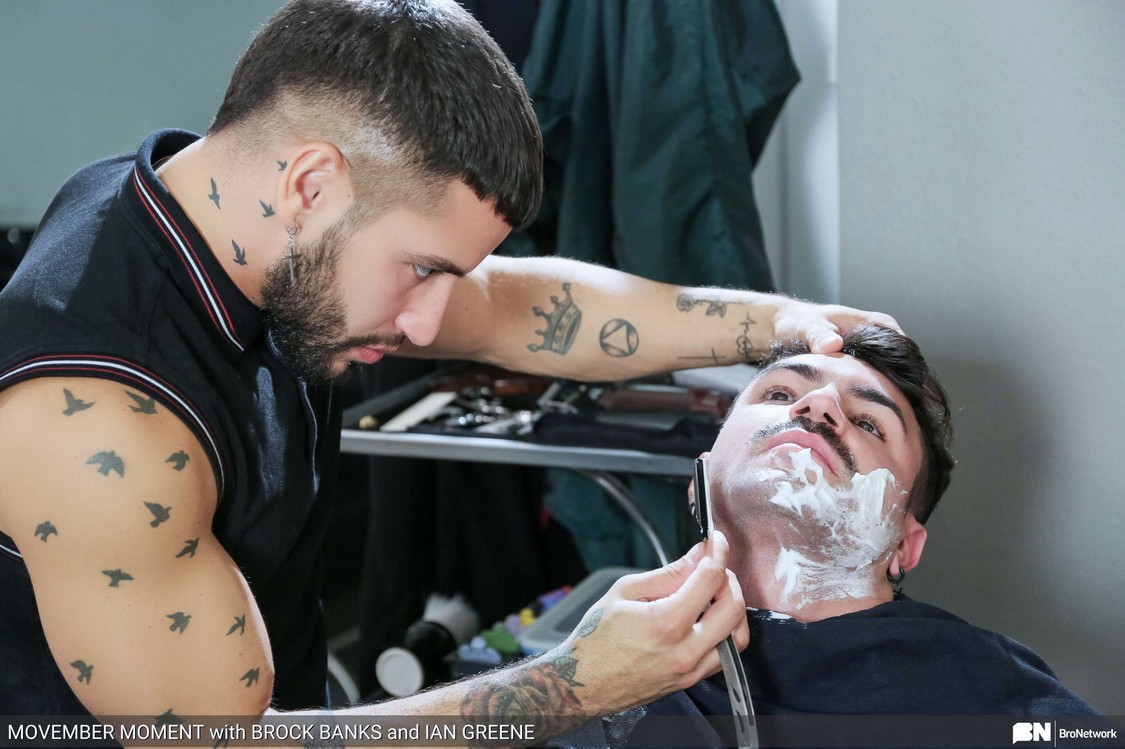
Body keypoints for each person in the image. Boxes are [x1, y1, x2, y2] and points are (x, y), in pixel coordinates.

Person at [0, 0, 898, 734]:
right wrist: (575, 683)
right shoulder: (99, 429)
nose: (430, 322)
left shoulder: (219, 208)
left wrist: (780, 324)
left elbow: (519, 308)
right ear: (310, 183)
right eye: (422, 269)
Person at [553, 325, 1096, 748]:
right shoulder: (594, 667)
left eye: (869, 423)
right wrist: (568, 687)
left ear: (903, 547)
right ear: (699, 482)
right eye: (779, 392)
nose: (818, 406)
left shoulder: (997, 696)